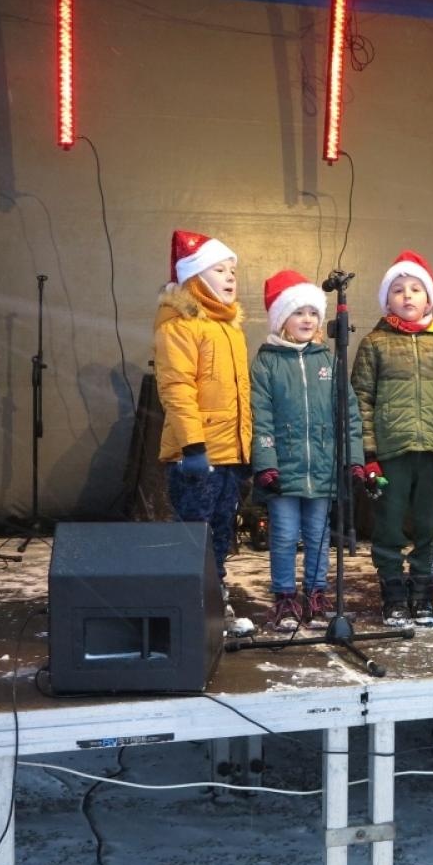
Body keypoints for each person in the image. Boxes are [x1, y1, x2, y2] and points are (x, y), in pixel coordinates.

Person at [351, 250, 433, 622]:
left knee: (429, 523)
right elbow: (362, 400)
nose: (407, 296)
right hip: (391, 451)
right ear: (387, 299)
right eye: (398, 289)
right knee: (387, 524)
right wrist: (368, 452)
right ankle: (393, 594)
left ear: (429, 297)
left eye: (416, 288)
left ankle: (423, 590)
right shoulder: (375, 343)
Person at [250, 270, 366, 632]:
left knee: (318, 534)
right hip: (283, 470)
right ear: (282, 318)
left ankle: (316, 593)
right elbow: (261, 416)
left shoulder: (328, 362)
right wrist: (266, 464)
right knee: (284, 534)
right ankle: (285, 596)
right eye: (298, 312)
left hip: (321, 469)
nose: (306, 319)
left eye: (312, 313)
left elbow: (349, 414)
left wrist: (354, 460)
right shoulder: (267, 362)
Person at [154, 230, 253, 625]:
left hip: (230, 453)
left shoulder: (231, 329)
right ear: (195, 276)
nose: (231, 276)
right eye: (219, 269)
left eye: (233, 270)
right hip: (198, 456)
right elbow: (177, 388)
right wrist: (194, 447)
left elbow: (240, 395)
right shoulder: (179, 326)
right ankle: (189, 609)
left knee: (221, 534)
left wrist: (246, 449)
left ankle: (215, 603)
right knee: (194, 535)